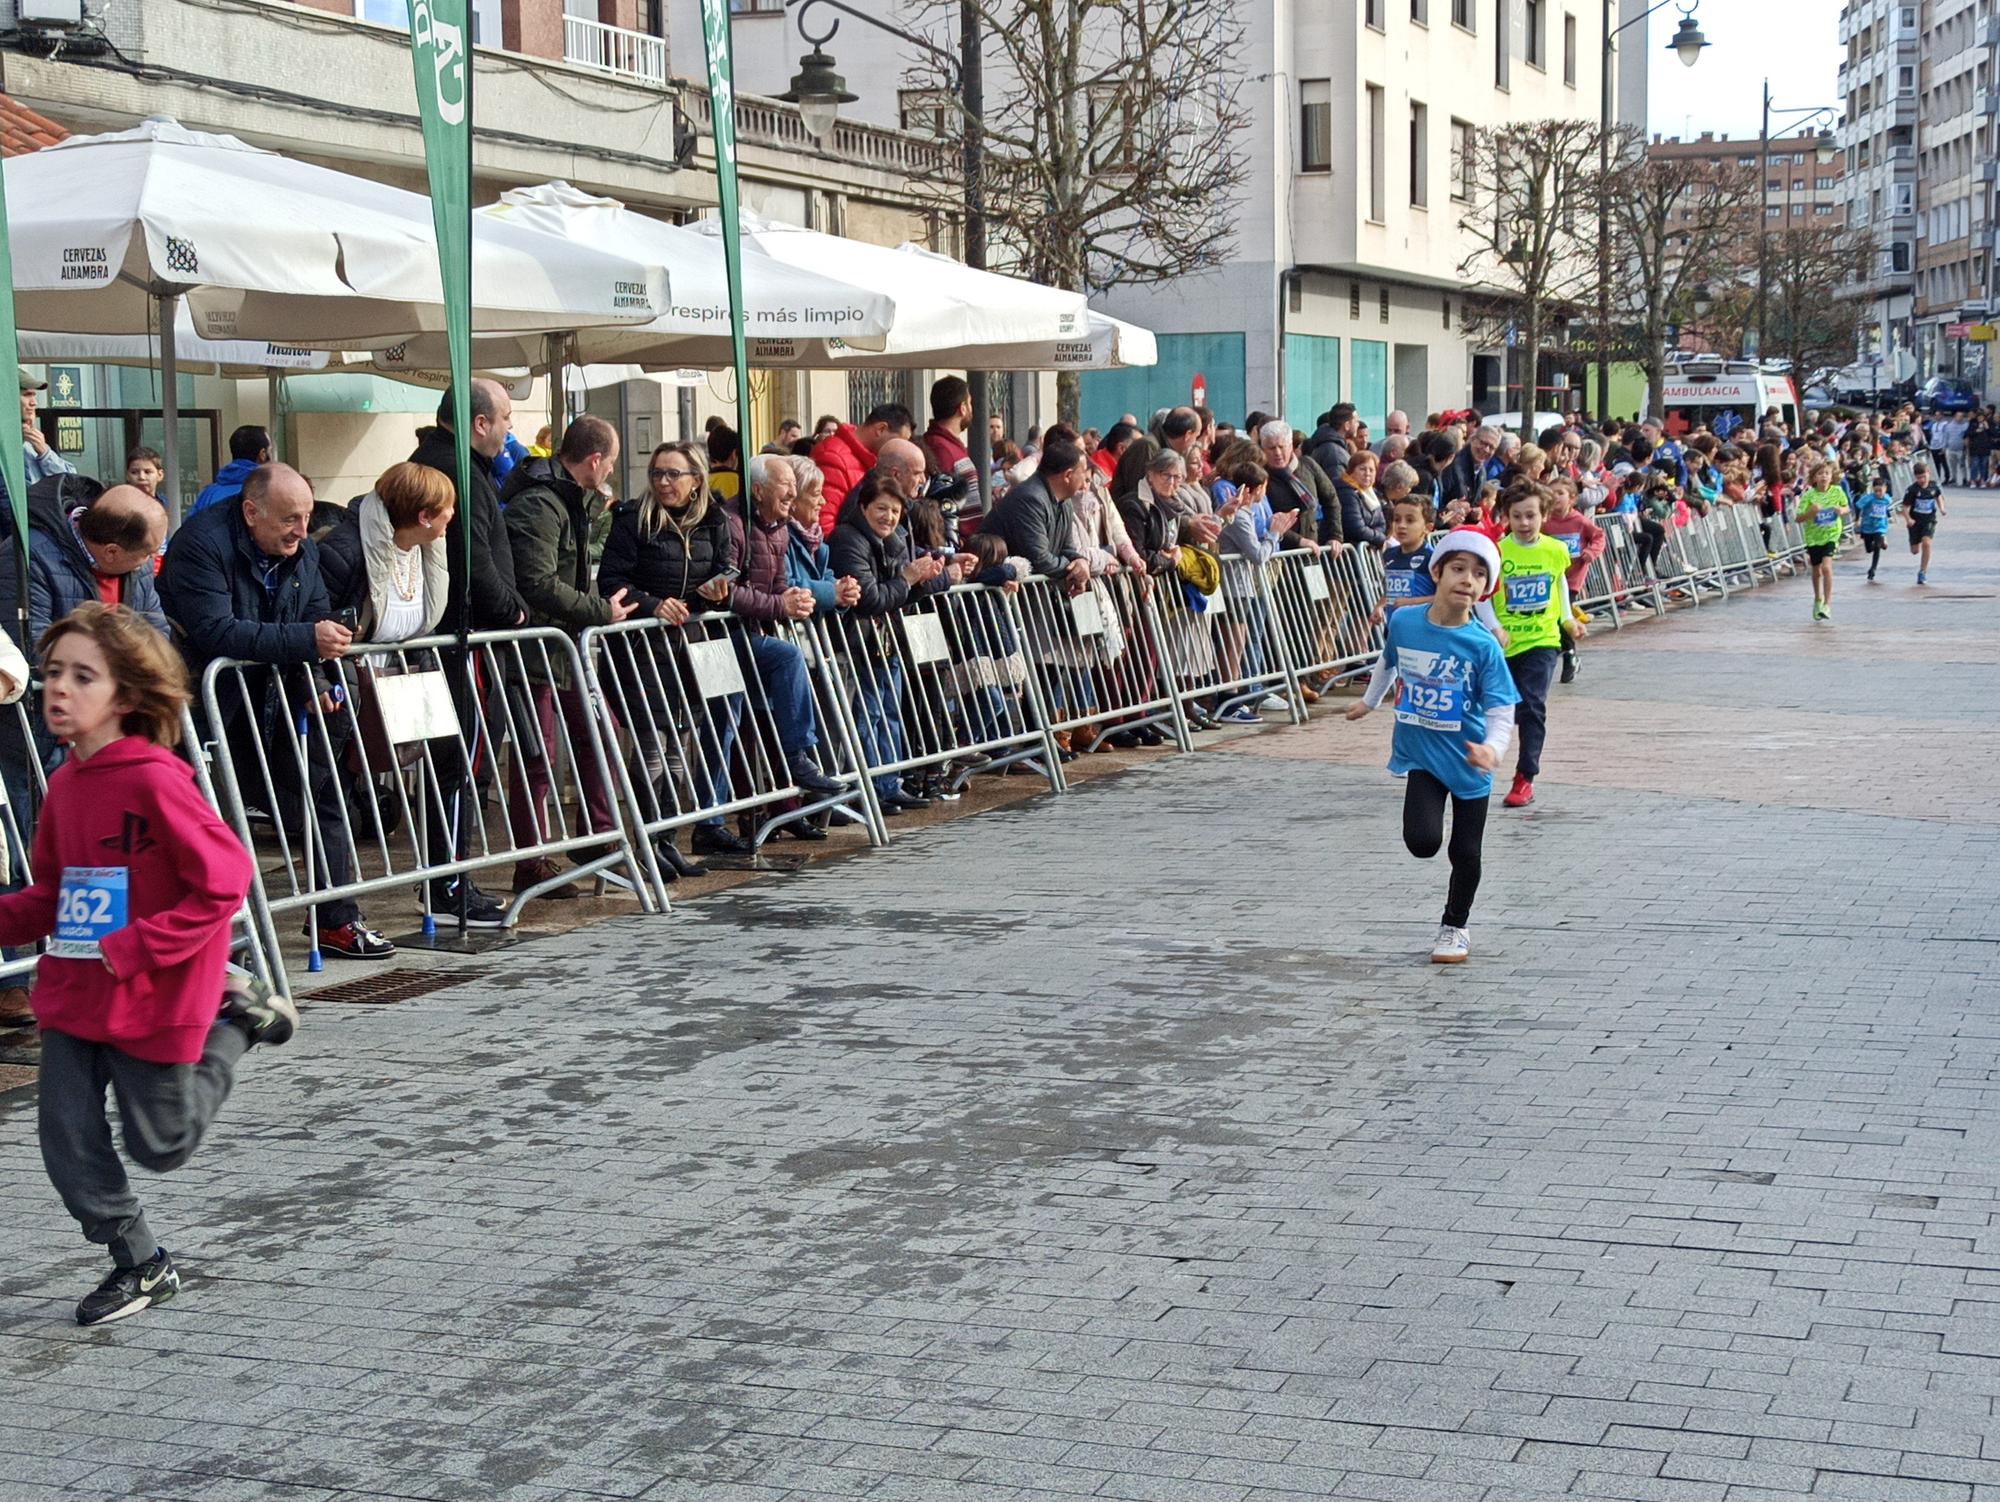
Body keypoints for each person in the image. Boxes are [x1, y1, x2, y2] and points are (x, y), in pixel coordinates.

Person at [0, 601, 297, 1325]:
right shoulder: (66, 782)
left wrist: (136, 947)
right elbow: (52, 894)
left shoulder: (155, 779)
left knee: (161, 1146)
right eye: (51, 674)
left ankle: (239, 1021)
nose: (57, 690)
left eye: (81, 677)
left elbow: (223, 880)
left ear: (127, 695)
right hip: (76, 996)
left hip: (154, 992)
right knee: (68, 1145)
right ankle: (141, 1264)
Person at [157, 463, 394, 960]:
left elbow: (317, 613)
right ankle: (224, 933)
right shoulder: (200, 545)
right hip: (212, 698)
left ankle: (337, 918)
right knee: (213, 817)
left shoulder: (300, 549)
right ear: (250, 512)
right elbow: (216, 631)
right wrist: (305, 642)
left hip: (280, 691)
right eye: (290, 519)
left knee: (324, 794)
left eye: (306, 517)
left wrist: (324, 677)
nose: (302, 531)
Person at [1344, 532, 1518, 966]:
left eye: (1480, 575)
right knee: (1422, 842)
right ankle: (1451, 915)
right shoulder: (1405, 622)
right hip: (1421, 753)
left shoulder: (1482, 646)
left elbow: (1501, 709)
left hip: (1469, 761)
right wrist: (1368, 702)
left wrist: (1494, 750)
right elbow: (1389, 660)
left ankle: (1455, 926)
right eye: (1459, 569)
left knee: (1465, 852)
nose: (1468, 580)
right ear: (1436, 572)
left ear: (1486, 589)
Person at [501, 417, 636, 895]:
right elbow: (536, 582)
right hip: (536, 648)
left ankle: (596, 841)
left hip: (565, 645)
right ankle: (531, 862)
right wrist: (599, 609)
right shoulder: (540, 503)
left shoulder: (573, 500)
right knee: (538, 757)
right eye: (612, 462)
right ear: (595, 461)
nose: (612, 471)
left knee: (602, 735)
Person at [407, 380, 526, 922]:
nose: (508, 429)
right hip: (465, 639)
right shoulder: (456, 470)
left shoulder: (445, 463)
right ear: (479, 423)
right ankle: (449, 881)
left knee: (455, 763)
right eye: (504, 418)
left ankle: (446, 878)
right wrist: (514, 610)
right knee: (462, 761)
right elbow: (472, 563)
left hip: (455, 637)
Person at [694, 453, 850, 852]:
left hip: (748, 635)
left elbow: (776, 583)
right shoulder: (731, 523)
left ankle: (721, 817)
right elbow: (725, 590)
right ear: (759, 489)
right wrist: (781, 606)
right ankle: (713, 817)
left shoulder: (777, 527)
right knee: (725, 725)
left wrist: (792, 597)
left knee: (730, 726)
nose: (793, 494)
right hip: (721, 636)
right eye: (786, 487)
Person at [827, 475, 951, 814]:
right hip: (859, 644)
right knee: (868, 715)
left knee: (889, 711)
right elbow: (870, 598)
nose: (889, 517)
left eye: (895, 511)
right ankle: (870, 787)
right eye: (882, 508)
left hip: (886, 641)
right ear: (864, 507)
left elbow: (901, 593)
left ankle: (888, 782)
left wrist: (928, 577)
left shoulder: (895, 539)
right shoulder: (847, 539)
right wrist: (908, 578)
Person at [1492, 483, 1579, 809]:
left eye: (1531, 516)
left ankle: (1524, 777)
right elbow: (1486, 595)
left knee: (1532, 705)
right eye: (1517, 516)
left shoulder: (1555, 550)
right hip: (1503, 644)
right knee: (1497, 706)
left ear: (1544, 516)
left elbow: (1559, 586)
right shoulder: (1498, 551)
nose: (1524, 523)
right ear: (1507, 517)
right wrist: (1495, 627)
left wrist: (1567, 619)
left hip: (1542, 641)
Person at [981, 438, 1093, 593]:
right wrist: (1075, 571)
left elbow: (1067, 548)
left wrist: (1080, 561)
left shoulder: (1064, 500)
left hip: (1033, 595)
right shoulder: (1030, 499)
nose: (1086, 481)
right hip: (1001, 596)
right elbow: (1040, 560)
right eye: (1083, 473)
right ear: (1068, 475)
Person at [1540, 477, 1604, 683]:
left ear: (1572, 499)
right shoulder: (1545, 522)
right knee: (1555, 616)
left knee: (1562, 615)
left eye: (1560, 493)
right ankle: (1564, 651)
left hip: (1573, 578)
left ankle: (1569, 655)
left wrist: (1590, 552)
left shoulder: (1579, 521)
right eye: (1552, 493)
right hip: (1551, 577)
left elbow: (1599, 536)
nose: (1555, 497)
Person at [813, 404, 915, 531]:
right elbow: (824, 523)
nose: (899, 448)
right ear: (881, 429)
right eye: (898, 441)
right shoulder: (833, 457)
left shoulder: (870, 460)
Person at [921, 376, 984, 532]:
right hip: (957, 541)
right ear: (962, 408)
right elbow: (941, 502)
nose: (971, 408)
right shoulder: (941, 448)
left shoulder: (949, 445)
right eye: (969, 403)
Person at [1793, 460, 1849, 621]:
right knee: (1816, 570)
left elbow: (1846, 507)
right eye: (1820, 474)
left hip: (1831, 534)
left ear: (1832, 477)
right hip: (1813, 537)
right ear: (1814, 478)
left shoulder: (1837, 491)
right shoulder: (1809, 495)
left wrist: (1841, 510)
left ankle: (1827, 604)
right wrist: (1811, 512)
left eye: (1827, 473)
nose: (1824, 476)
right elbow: (1798, 518)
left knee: (1826, 567)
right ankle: (1818, 598)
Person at [190, 426, 271, 516]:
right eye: (270, 450)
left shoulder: (207, 494)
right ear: (262, 454)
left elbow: (191, 528)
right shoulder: (270, 492)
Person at [17, 369, 76, 493]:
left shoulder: (31, 445)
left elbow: (72, 482)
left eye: (34, 395)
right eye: (27, 395)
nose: (34, 403)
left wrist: (44, 453)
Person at [1901, 460, 1945, 583]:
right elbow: (1904, 507)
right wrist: (1908, 519)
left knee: (1927, 543)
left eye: (1924, 476)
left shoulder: (1933, 486)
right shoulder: (1912, 490)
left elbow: (1938, 496)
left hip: (1929, 520)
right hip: (1915, 522)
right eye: (1919, 477)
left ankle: (1922, 572)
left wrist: (1942, 509)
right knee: (1915, 551)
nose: (1922, 480)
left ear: (1928, 473)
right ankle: (1917, 540)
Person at [1854, 470, 1893, 583]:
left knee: (1877, 546)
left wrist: (1888, 516)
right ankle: (1880, 542)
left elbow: (1887, 508)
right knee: (1869, 549)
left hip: (1880, 527)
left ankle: (1873, 569)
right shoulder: (1868, 498)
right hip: (1867, 527)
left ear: (1885, 489)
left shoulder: (1887, 498)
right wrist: (1857, 519)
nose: (1878, 493)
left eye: (1880, 491)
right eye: (1876, 491)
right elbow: (1858, 506)